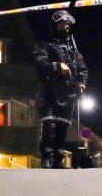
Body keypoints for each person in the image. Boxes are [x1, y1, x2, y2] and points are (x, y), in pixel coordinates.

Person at [33, 10, 88, 169]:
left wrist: (82, 81)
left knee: (63, 127)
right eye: (63, 23)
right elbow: (39, 61)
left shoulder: (72, 43)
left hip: (69, 91)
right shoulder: (45, 42)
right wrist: (57, 66)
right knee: (49, 126)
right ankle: (46, 159)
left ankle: (58, 160)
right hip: (50, 90)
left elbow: (81, 65)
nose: (66, 26)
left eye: (68, 24)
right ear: (55, 24)